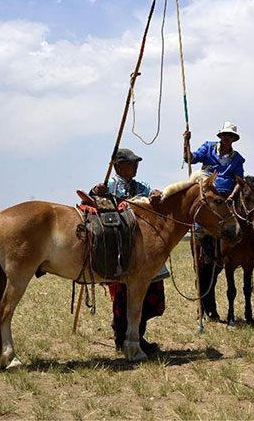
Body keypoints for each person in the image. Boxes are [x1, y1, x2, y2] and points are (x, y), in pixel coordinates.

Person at [91, 147, 167, 353]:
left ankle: (138, 336)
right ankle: (121, 338)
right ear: (118, 166)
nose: (136, 166)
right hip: (121, 250)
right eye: (131, 163)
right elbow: (94, 206)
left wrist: (156, 194)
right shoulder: (108, 186)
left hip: (143, 249)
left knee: (149, 296)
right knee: (123, 298)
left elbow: (153, 196)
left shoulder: (142, 185)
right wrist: (96, 194)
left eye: (136, 163)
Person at [183, 122, 245, 264]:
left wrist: (231, 196)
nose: (227, 137)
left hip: (227, 195)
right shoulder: (208, 147)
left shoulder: (237, 158)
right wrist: (186, 142)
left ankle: (250, 247)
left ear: (234, 138)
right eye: (225, 135)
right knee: (200, 222)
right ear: (220, 136)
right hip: (207, 193)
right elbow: (189, 159)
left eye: (230, 135)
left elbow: (239, 181)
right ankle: (208, 251)